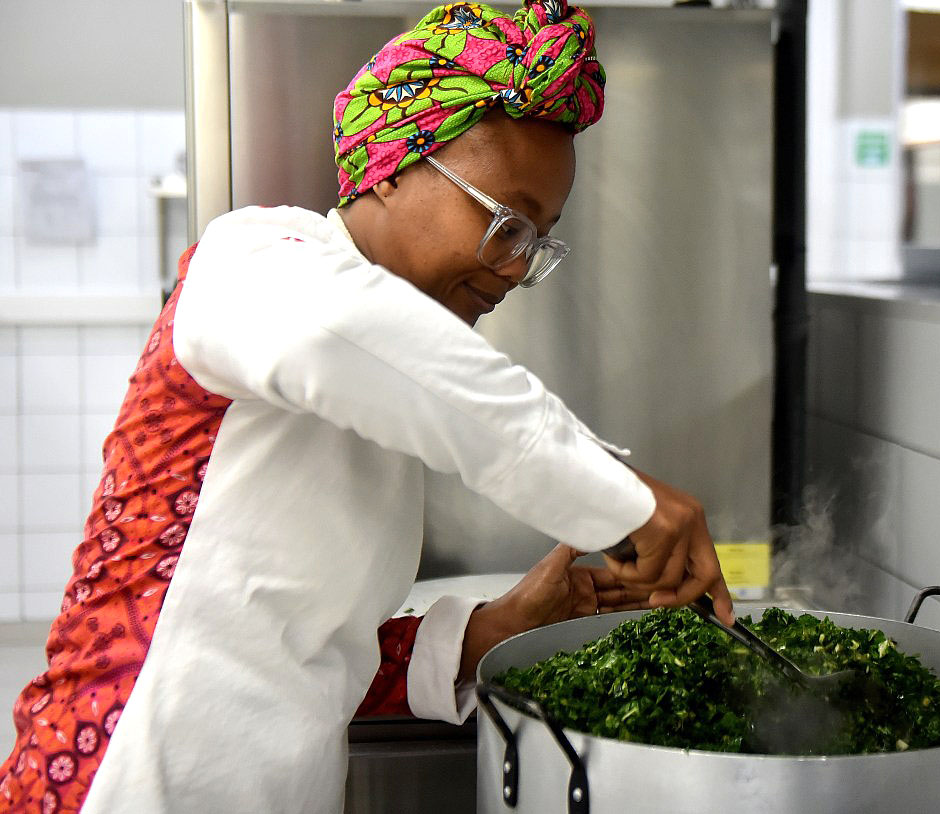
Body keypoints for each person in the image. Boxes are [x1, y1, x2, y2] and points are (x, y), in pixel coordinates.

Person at [0, 2, 734, 811]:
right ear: (390, 165)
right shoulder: (254, 265)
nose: (514, 269)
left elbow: (299, 650)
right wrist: (620, 499)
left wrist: (483, 632)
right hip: (123, 781)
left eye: (537, 242)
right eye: (504, 223)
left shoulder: (389, 381)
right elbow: (353, 338)